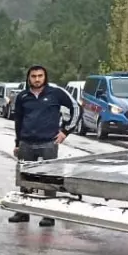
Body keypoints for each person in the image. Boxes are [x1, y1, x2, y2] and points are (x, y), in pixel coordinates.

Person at [9, 64, 79, 227]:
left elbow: (76, 109)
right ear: (29, 78)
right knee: (25, 178)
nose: (37, 79)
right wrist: (17, 143)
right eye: (33, 76)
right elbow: (18, 121)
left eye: (40, 76)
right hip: (27, 143)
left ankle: (48, 214)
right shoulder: (23, 97)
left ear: (45, 77)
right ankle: (23, 211)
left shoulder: (56, 93)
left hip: (48, 143)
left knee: (49, 179)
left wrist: (65, 131)